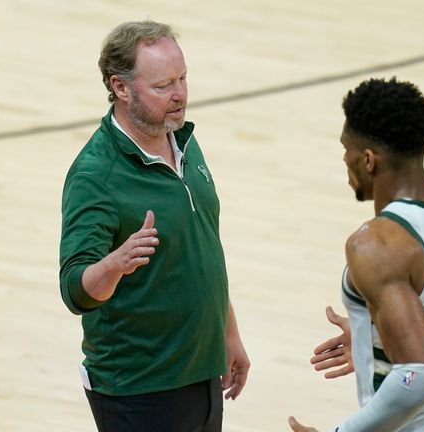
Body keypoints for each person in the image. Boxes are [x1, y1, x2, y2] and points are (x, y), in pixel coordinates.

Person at [58, 19, 249, 432]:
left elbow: (201, 248)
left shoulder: (182, 140)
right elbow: (74, 289)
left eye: (182, 79)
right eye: (163, 86)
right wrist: (114, 264)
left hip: (201, 371)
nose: (179, 95)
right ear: (121, 87)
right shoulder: (96, 176)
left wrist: (227, 334)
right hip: (139, 389)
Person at [289, 78, 424, 431]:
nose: (345, 158)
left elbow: (420, 376)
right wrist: (372, 337)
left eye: (347, 149)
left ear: (369, 160)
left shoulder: (377, 244)